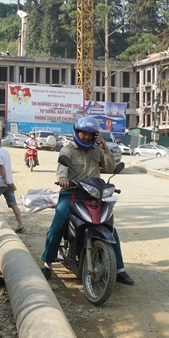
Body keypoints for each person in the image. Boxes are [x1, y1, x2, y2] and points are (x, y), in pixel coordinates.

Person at [40, 117, 134, 285]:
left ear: (95, 135)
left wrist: (106, 149)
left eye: (90, 134)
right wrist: (63, 178)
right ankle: (47, 262)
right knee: (57, 225)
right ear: (77, 132)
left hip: (94, 195)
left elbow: (111, 168)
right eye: (84, 133)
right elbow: (62, 168)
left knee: (111, 228)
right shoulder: (68, 149)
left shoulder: (97, 150)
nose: (86, 137)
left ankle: (119, 269)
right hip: (72, 194)